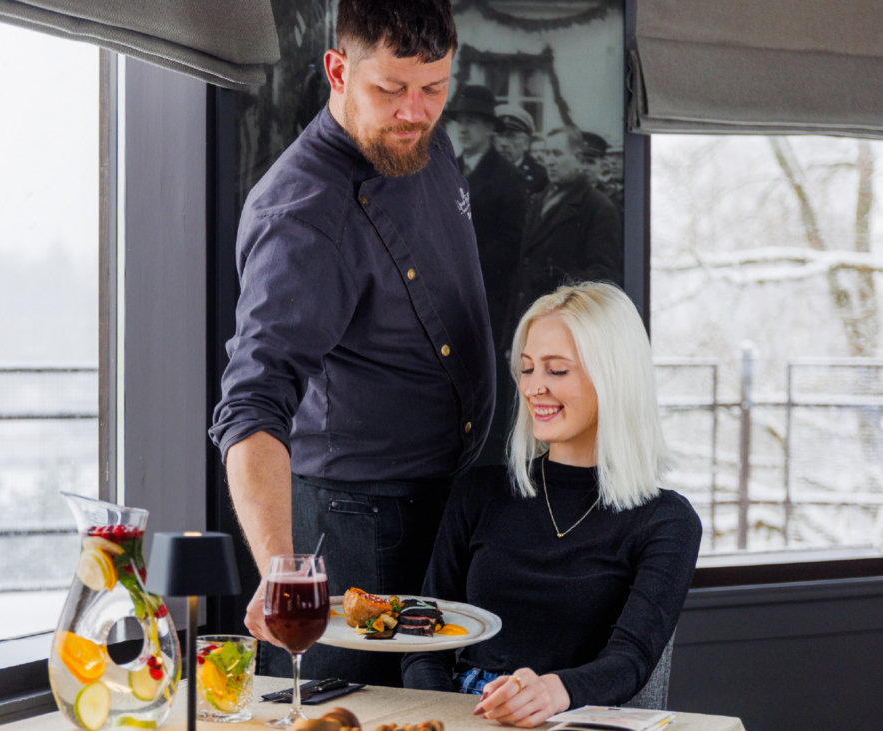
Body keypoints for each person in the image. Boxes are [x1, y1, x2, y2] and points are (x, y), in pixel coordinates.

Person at [208, 0, 494, 688]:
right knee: (346, 715)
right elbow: (251, 407)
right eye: (390, 88)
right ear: (338, 71)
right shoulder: (301, 214)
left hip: (450, 503)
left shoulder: (422, 139)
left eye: (434, 88)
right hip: (355, 522)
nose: (414, 112)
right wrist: (283, 572)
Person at [402, 282, 702, 727]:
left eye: (557, 370)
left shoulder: (667, 522)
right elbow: (421, 639)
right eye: (527, 369)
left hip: (578, 717)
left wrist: (550, 693)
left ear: (613, 378)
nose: (533, 387)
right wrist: (445, 716)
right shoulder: (478, 493)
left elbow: (630, 661)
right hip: (464, 713)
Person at [445, 86, 529, 466]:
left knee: (483, 384)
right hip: (447, 297)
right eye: (461, 121)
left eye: (475, 122)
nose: (465, 129)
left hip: (489, 299)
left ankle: (486, 461)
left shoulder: (509, 178)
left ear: (490, 128)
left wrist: (461, 259)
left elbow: (512, 244)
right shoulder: (447, 169)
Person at [506, 127, 622, 340]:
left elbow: (603, 276)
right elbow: (522, 271)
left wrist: (557, 284)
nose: (550, 161)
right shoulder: (539, 201)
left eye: (558, 154)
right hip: (530, 324)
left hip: (566, 329)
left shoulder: (597, 207)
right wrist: (510, 336)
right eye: (547, 153)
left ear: (578, 158)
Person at [492, 105, 548, 195]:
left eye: (511, 136)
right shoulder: (484, 171)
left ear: (526, 143)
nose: (503, 143)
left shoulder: (540, 177)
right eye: (500, 135)